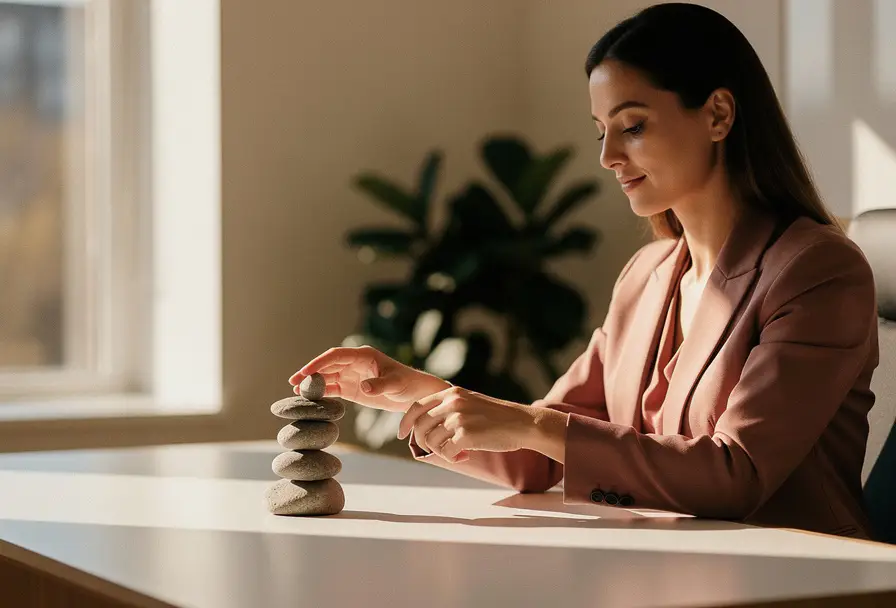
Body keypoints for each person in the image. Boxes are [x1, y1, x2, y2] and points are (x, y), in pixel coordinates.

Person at [290, 3, 880, 540]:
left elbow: (736, 475)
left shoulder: (816, 270)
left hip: (806, 581)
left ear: (718, 114)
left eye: (633, 126)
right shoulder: (647, 274)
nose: (608, 157)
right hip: (665, 565)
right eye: (602, 132)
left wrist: (533, 425)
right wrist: (417, 392)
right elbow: (537, 453)